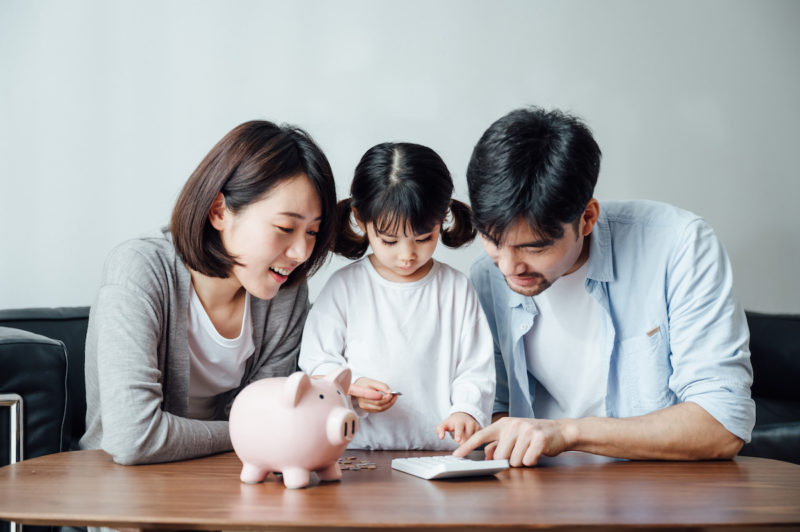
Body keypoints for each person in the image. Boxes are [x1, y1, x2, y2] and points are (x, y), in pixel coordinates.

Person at [454, 107, 754, 466]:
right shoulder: (487, 277)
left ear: (587, 218)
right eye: (492, 240)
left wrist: (567, 433)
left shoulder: (679, 246)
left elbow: (722, 425)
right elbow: (495, 410)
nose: (508, 266)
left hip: (658, 500)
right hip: (537, 499)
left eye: (534, 247)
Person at [80, 120, 337, 465]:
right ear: (219, 211)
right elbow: (132, 437)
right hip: (125, 494)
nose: (301, 252)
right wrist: (247, 432)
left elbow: (269, 425)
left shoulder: (286, 294)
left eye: (312, 232)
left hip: (228, 484)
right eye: (286, 228)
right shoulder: (138, 270)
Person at [299, 142, 495, 450]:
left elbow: (475, 367)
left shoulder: (456, 289)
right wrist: (351, 388)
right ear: (361, 220)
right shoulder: (345, 288)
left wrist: (466, 410)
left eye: (423, 238)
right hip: (357, 453)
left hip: (440, 455)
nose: (407, 255)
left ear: (443, 217)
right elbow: (315, 361)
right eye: (389, 240)